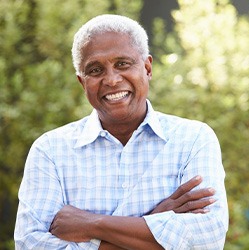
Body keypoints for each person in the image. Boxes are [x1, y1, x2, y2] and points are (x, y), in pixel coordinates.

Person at [14, 14, 228, 249]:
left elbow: (208, 238)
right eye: (95, 70)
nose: (112, 80)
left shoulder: (193, 139)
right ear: (82, 82)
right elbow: (30, 244)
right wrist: (156, 225)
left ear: (147, 68)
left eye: (122, 64)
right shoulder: (50, 151)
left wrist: (92, 224)